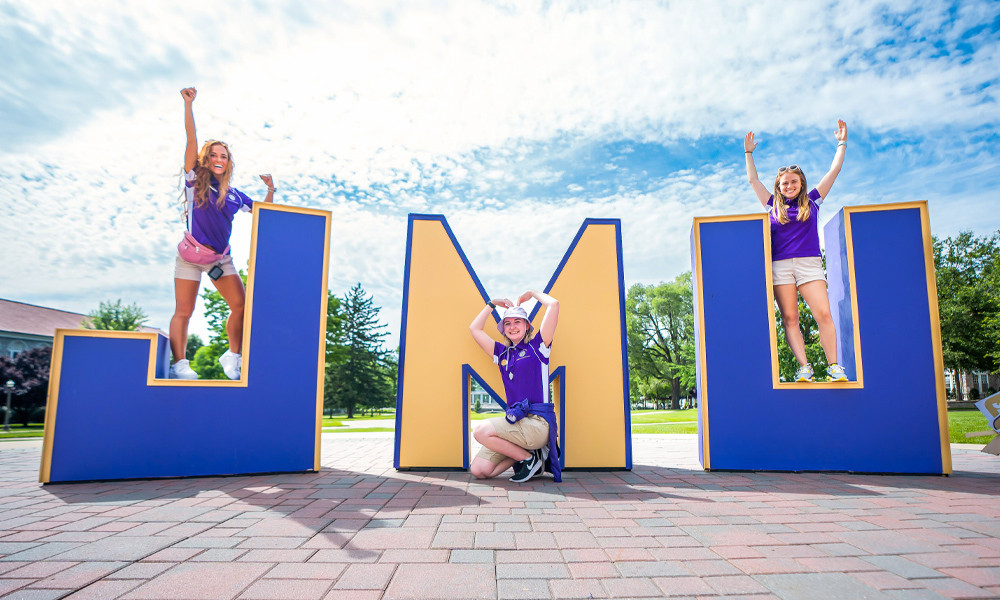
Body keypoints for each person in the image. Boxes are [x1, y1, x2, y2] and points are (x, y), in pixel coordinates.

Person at [169, 87, 275, 380]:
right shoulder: (195, 180)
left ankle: (233, 355)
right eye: (214, 154)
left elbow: (265, 214)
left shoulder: (236, 195)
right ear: (206, 158)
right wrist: (188, 105)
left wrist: (270, 189)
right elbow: (191, 138)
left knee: (241, 305)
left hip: (219, 261)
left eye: (224, 156)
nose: (219, 158)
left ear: (228, 162)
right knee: (184, 310)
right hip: (191, 256)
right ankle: (179, 364)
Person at [744, 120, 849, 382]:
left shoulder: (812, 201)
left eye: (793, 181)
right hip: (780, 266)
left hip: (809, 264)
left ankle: (834, 366)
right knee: (790, 318)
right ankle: (804, 367)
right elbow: (753, 179)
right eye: (783, 183)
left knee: (823, 314)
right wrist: (748, 154)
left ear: (801, 183)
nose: (788, 186)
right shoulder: (771, 205)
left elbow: (834, 170)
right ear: (778, 187)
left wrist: (841, 143)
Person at [468, 290, 561, 482]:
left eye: (517, 322)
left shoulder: (539, 346)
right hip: (516, 423)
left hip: (538, 424)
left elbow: (554, 305)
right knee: (480, 470)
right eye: (507, 324)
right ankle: (531, 457)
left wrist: (532, 294)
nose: (512, 327)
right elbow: (475, 329)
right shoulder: (502, 353)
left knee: (480, 431)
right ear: (503, 329)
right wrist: (492, 303)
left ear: (527, 326)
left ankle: (528, 458)